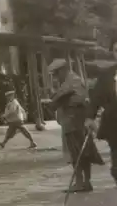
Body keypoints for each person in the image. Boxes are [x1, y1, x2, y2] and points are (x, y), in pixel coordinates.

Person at [48, 58, 104, 193]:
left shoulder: (71, 81)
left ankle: (81, 182)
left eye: (56, 74)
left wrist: (53, 99)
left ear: (63, 70)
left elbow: (54, 101)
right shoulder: (71, 81)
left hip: (74, 122)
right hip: (75, 121)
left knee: (77, 153)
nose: (55, 77)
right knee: (82, 153)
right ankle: (85, 182)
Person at [85, 39, 117, 186]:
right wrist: (90, 118)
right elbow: (96, 97)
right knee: (116, 169)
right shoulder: (107, 75)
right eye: (116, 51)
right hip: (114, 126)